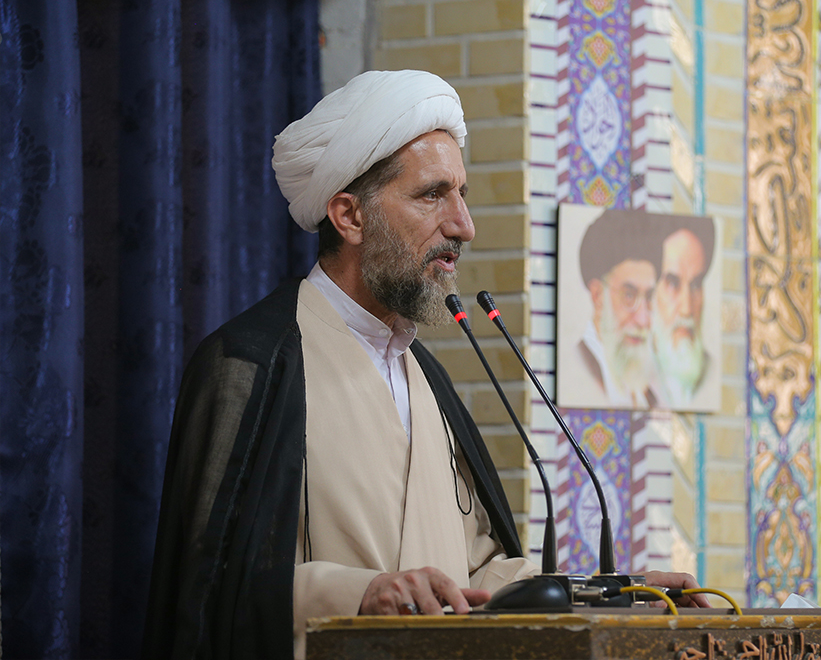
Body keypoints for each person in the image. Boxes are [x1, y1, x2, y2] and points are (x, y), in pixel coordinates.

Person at [143, 70, 705, 660]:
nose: (463, 225)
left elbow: (475, 575)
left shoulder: (428, 379)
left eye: (462, 194)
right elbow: (207, 588)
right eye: (432, 194)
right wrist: (360, 594)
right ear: (349, 216)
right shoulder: (250, 364)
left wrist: (609, 595)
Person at [560, 210, 664, 409]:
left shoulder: (645, 392)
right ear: (598, 295)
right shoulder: (578, 370)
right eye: (629, 296)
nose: (643, 319)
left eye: (649, 297)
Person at [651, 217, 714, 408]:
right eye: (673, 284)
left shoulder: (713, 374)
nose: (687, 309)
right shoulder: (627, 380)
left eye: (695, 285)